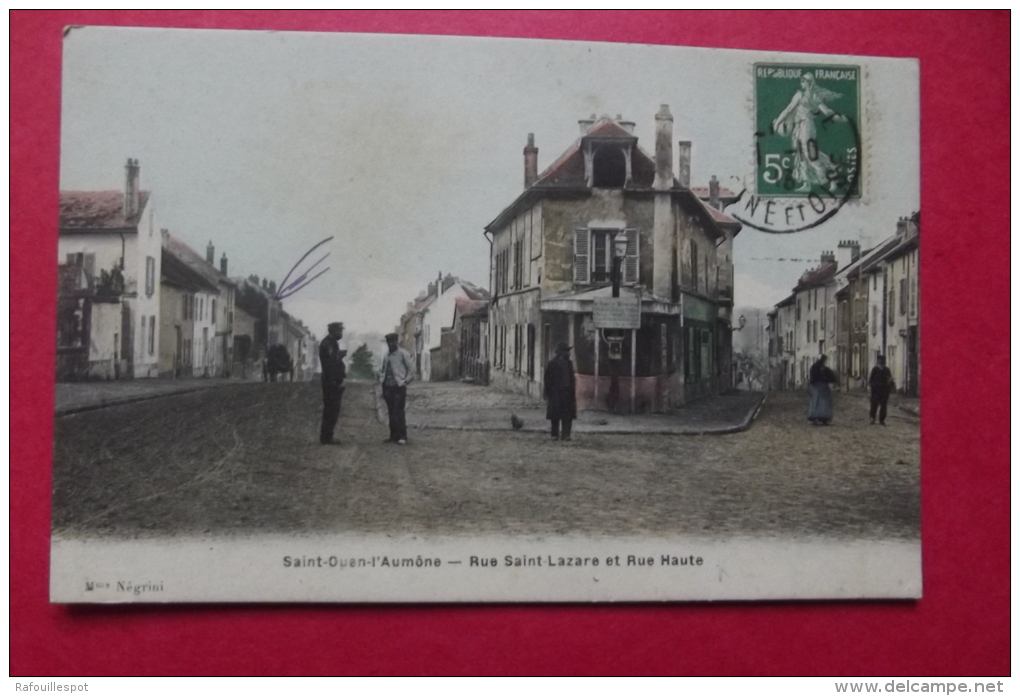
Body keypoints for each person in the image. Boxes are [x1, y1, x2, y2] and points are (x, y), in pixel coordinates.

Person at [771, 72, 847, 193]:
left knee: (810, 154)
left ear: (809, 83)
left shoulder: (801, 95)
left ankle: (832, 174)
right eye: (801, 81)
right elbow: (826, 111)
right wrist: (835, 117)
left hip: (805, 126)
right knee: (801, 154)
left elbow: (789, 109)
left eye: (803, 81)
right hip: (800, 126)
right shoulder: (813, 96)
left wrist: (777, 123)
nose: (801, 83)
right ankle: (807, 183)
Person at [379, 333, 414, 445]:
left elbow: (411, 369)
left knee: (399, 411)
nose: (391, 344)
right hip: (387, 386)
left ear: (397, 341)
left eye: (393, 341)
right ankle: (393, 435)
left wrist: (406, 381)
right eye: (389, 342)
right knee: (391, 412)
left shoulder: (403, 354)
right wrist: (382, 381)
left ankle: (402, 436)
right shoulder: (386, 356)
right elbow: (383, 369)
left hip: (398, 386)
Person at [318, 322, 347, 445]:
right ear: (333, 330)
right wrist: (340, 356)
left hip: (332, 379)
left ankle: (327, 435)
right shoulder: (328, 343)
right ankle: (327, 436)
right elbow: (330, 363)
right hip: (331, 380)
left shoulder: (331, 342)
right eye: (339, 330)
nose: (341, 333)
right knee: (332, 409)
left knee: (332, 409)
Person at [544, 342, 577, 441]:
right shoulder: (552, 363)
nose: (568, 353)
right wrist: (547, 392)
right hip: (556, 392)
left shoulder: (569, 363)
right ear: (561, 353)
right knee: (555, 415)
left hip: (567, 393)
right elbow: (547, 378)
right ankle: (555, 434)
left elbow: (571, 379)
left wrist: (572, 390)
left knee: (567, 415)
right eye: (566, 351)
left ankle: (566, 434)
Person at [807, 354, 837, 425]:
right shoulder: (822, 368)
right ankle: (823, 417)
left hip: (816, 386)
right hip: (821, 386)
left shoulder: (815, 367)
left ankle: (815, 417)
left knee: (816, 402)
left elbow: (812, 376)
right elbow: (830, 376)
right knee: (823, 402)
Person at [868, 355, 895, 426]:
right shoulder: (875, 369)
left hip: (884, 390)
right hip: (876, 390)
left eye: (883, 360)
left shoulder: (887, 370)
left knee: (883, 405)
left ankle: (882, 420)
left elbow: (890, 379)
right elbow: (871, 380)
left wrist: (890, 382)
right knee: (874, 405)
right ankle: (872, 418)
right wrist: (873, 386)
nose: (881, 362)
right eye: (880, 360)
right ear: (878, 361)